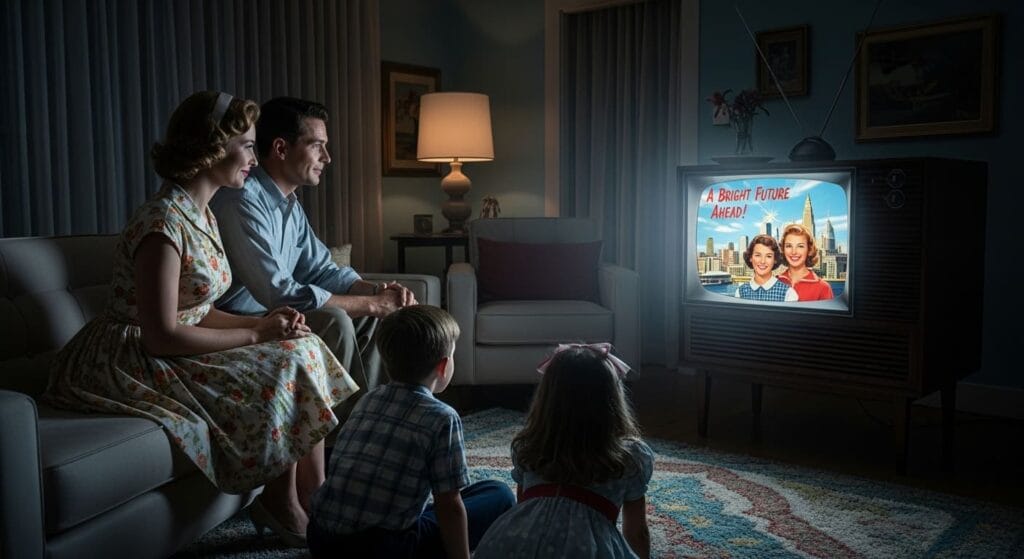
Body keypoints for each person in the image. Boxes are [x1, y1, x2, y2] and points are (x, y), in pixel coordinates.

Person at [42, 91, 359, 547]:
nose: (255, 155)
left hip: (170, 340)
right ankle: (281, 499)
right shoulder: (163, 222)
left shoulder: (203, 214)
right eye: (247, 145)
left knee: (302, 343)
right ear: (212, 147)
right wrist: (255, 332)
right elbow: (162, 334)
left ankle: (318, 497)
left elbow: (201, 309)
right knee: (283, 361)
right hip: (128, 357)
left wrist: (271, 325)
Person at [210, 96, 415, 414]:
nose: (328, 158)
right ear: (281, 149)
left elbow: (323, 270)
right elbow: (278, 293)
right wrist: (371, 304)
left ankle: (371, 425)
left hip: (279, 313)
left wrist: (377, 292)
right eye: (317, 146)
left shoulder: (289, 205)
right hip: (244, 321)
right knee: (335, 320)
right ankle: (338, 440)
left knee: (375, 321)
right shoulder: (241, 201)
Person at [307, 305, 515, 559]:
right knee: (499, 494)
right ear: (443, 365)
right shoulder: (442, 418)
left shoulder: (369, 398)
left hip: (321, 538)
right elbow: (448, 505)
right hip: (380, 549)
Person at [474, 344, 654, 559]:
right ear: (613, 399)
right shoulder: (630, 457)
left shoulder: (528, 445)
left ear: (546, 398)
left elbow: (524, 505)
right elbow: (637, 532)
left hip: (511, 543)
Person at [777, 223, 834, 301]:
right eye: (789, 246)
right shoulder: (774, 281)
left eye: (800, 246)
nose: (794, 252)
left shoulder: (823, 288)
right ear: (783, 249)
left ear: (809, 250)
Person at [734, 234, 798, 302]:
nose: (763, 261)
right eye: (758, 255)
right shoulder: (740, 292)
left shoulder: (789, 294)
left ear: (775, 260)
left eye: (768, 256)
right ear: (750, 258)